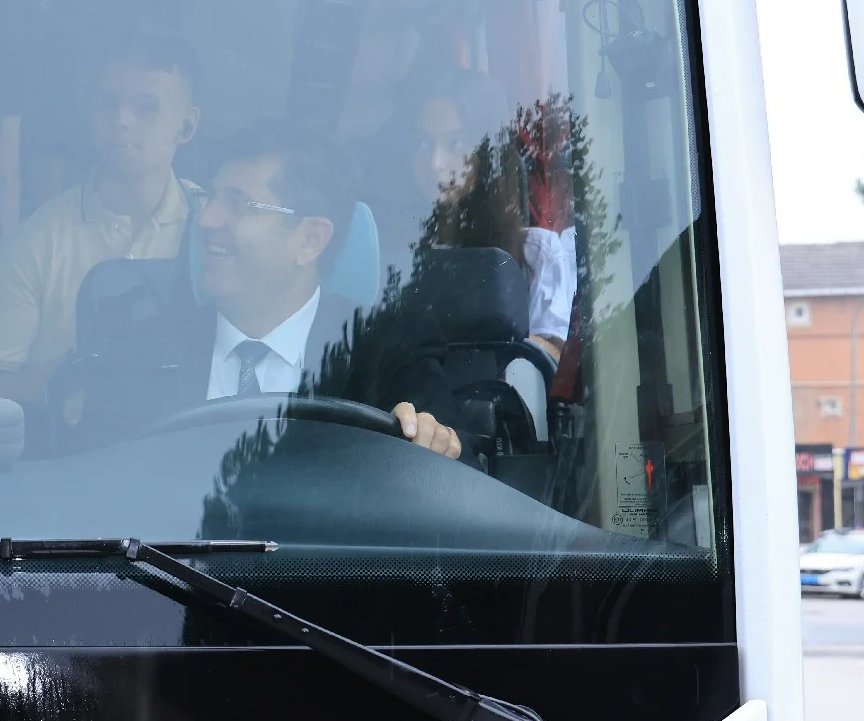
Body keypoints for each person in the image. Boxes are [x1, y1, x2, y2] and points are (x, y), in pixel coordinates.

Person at [0, 42, 204, 408]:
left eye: (146, 106)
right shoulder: (37, 241)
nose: (122, 120)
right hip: (71, 444)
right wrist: (60, 381)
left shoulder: (216, 230)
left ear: (186, 125)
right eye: (107, 103)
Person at [186, 130, 462, 457]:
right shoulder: (147, 346)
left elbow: (457, 467)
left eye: (239, 203)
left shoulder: (389, 349)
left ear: (310, 240)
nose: (206, 220)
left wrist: (429, 439)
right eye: (210, 198)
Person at [401, 69, 576, 362]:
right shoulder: (394, 250)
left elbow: (546, 361)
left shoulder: (537, 254)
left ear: (488, 155)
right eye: (424, 144)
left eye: (456, 144)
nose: (436, 162)